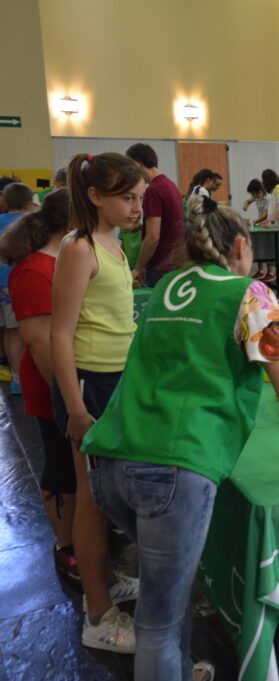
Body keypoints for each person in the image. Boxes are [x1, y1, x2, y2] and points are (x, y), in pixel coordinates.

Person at [82, 196, 279, 680]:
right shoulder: (252, 295)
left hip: (112, 454)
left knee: (168, 592)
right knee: (158, 620)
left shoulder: (167, 285)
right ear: (243, 245)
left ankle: (181, 670)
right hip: (174, 465)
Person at [52, 152, 144, 653]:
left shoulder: (113, 241)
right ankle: (97, 616)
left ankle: (104, 581)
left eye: (139, 198)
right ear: (95, 197)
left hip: (115, 380)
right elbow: (61, 336)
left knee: (106, 493)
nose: (136, 208)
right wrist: (75, 408)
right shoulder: (79, 247)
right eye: (127, 198)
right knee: (90, 499)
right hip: (88, 384)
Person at [0, 189, 78, 580]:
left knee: (77, 463)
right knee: (61, 462)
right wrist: (68, 398)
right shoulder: (34, 270)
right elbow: (40, 342)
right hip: (52, 383)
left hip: (72, 379)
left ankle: (83, 533)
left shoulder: (65, 261)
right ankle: (66, 546)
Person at [126, 143, 185, 288]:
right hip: (176, 263)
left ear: (138, 164)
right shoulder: (170, 185)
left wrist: (138, 268)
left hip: (160, 267)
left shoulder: (153, 191)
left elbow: (153, 237)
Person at [0, 182, 38, 394]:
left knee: (8, 330)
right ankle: (19, 379)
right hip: (13, 282)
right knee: (19, 331)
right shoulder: (27, 221)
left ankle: (14, 374)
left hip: (1, 282)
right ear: (27, 203)